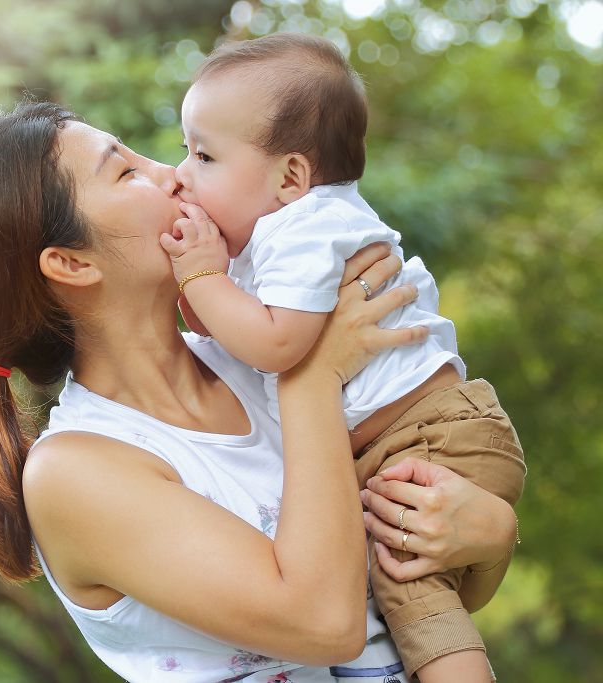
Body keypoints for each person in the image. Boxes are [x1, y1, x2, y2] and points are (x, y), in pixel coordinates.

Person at [0, 101, 520, 682]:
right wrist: (312, 374)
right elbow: (325, 622)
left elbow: (415, 593)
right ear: (72, 265)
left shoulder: (252, 359)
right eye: (128, 171)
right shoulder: (73, 471)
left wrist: (490, 536)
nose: (173, 175)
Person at [161, 34, 526, 681]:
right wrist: (206, 280)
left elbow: (276, 344)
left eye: (204, 154)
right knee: (404, 589)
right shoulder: (272, 238)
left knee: (414, 597)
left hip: (433, 434)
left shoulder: (307, 229)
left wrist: (198, 276)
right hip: (420, 438)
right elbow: (230, 338)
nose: (182, 172)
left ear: (291, 177)